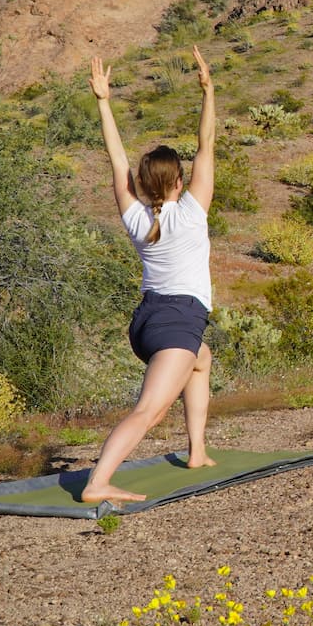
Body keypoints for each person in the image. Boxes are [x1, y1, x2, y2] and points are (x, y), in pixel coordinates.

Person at [79, 47, 219, 504]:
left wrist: (104, 101)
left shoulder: (138, 218)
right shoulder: (193, 211)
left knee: (202, 358)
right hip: (176, 322)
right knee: (148, 412)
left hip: (147, 323)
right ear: (179, 182)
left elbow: (116, 161)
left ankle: (197, 450)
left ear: (144, 185)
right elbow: (207, 144)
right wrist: (208, 92)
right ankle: (97, 483)